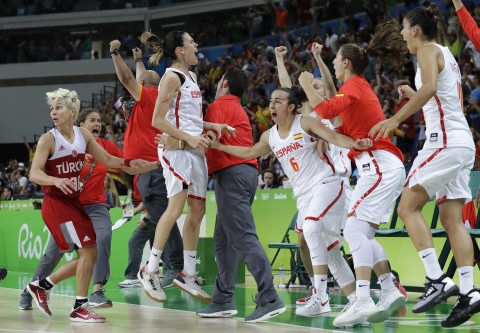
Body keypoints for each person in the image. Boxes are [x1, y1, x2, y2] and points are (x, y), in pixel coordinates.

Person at [209, 85, 373, 319]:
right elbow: (249, 152)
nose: (271, 105)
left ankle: (320, 296)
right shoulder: (270, 136)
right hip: (303, 195)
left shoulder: (305, 122)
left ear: (292, 106)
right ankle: (356, 302)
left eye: (278, 101)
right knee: (329, 249)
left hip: (326, 183)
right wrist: (219, 146)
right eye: (271, 101)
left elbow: (334, 136)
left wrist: (354, 144)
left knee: (311, 228)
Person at [369, 5, 480, 327]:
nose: (402, 34)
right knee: (452, 220)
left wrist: (395, 118)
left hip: (443, 141)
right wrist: (414, 94)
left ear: (415, 30)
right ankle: (470, 292)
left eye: (404, 28)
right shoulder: (446, 53)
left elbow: (432, 89)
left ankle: (437, 279)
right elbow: (445, 98)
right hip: (460, 141)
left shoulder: (428, 51)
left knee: (407, 208)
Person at [298, 20, 408, 327]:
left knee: (353, 230)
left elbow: (325, 110)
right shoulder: (358, 88)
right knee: (362, 233)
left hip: (379, 167)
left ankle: (362, 298)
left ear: (345, 63)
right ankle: (387, 287)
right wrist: (348, 139)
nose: (332, 65)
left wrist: (306, 82)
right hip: (379, 165)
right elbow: (339, 127)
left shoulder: (354, 85)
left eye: (334, 61)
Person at [162, 67, 286, 322]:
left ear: (225, 84)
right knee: (224, 241)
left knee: (243, 237)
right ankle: (222, 300)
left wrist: (179, 143)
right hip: (241, 175)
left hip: (233, 175)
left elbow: (205, 138)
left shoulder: (219, 106)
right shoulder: (237, 108)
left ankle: (269, 297)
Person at [26, 88, 148, 322]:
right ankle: (69, 301)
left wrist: (142, 164)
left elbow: (110, 160)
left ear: (72, 110)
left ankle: (45, 287)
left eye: (59, 107)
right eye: (52, 108)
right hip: (57, 204)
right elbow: (34, 174)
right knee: (85, 252)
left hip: (74, 204)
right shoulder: (48, 139)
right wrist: (54, 180)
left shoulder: (83, 135)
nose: (54, 112)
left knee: (90, 254)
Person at [136, 30, 234, 303]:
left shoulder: (191, 77)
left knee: (198, 209)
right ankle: (151, 268)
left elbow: (189, 118)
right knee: (176, 207)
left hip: (194, 149)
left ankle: (187, 274)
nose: (196, 46)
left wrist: (212, 125)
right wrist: (189, 137)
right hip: (176, 150)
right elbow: (157, 119)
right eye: (191, 42)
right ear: (180, 50)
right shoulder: (171, 77)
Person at [276, 43, 358, 309]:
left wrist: (319, 58)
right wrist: (279, 59)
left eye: (319, 86)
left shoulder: (330, 115)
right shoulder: (305, 118)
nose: (316, 89)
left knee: (355, 241)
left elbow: (332, 89)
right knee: (317, 244)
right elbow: (287, 92)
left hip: (337, 184)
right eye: (314, 87)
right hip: (315, 189)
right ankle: (326, 292)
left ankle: (385, 281)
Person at [109, 39, 184, 289]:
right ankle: (166, 267)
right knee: (158, 218)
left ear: (145, 86)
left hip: (154, 169)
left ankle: (177, 267)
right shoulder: (151, 94)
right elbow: (141, 78)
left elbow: (128, 80)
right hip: (145, 171)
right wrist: (139, 60)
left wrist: (115, 53)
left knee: (163, 217)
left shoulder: (150, 96)